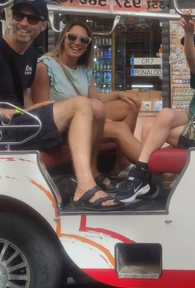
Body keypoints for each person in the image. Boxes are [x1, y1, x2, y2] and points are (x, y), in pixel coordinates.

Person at [0, 0, 122, 211]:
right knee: (82, 104)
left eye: (33, 19)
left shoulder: (27, 55)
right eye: (19, 15)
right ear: (11, 18)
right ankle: (85, 188)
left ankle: (93, 173)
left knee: (97, 106)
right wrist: (19, 113)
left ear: (43, 26)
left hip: (19, 127)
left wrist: (29, 110)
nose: (24, 23)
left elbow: (21, 95)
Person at [115, 10, 195, 203]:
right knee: (152, 124)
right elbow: (190, 58)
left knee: (156, 126)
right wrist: (189, 33)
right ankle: (144, 180)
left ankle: (139, 176)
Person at [31, 20, 143, 188]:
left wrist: (117, 94)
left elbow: (95, 102)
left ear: (88, 46)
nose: (77, 43)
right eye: (73, 37)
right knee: (120, 129)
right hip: (60, 126)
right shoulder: (45, 66)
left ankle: (121, 163)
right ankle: (156, 167)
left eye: (84, 40)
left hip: (85, 115)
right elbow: (43, 111)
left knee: (130, 105)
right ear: (63, 38)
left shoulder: (84, 69)